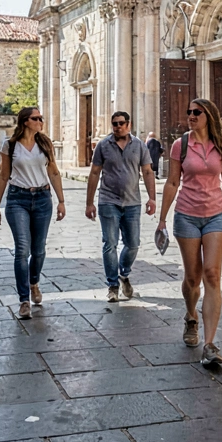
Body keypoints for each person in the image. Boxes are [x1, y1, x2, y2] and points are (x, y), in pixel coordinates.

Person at [156, 98, 222, 367]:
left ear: (209, 116)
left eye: (197, 112)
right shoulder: (180, 145)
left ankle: (210, 344)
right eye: (189, 112)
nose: (191, 116)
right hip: (187, 215)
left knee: (212, 275)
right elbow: (173, 182)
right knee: (192, 278)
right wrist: (162, 219)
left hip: (216, 215)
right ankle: (190, 314)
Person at [0, 107, 67, 319]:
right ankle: (24, 299)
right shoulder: (10, 145)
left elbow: (53, 171)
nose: (40, 121)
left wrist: (61, 200)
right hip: (18, 199)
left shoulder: (45, 143)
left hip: (43, 198)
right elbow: (4, 176)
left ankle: (34, 282)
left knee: (39, 250)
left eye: (41, 118)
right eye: (36, 118)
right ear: (25, 121)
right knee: (22, 249)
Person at [86, 112, 156, 302]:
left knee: (133, 244)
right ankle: (113, 285)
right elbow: (94, 173)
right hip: (108, 201)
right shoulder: (103, 145)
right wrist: (89, 202)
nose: (117, 127)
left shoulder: (139, 145)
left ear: (129, 124)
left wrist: (152, 198)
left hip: (132, 202)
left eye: (121, 123)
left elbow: (148, 171)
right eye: (114, 124)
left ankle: (123, 273)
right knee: (110, 244)